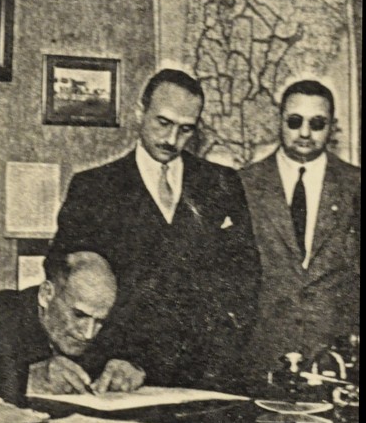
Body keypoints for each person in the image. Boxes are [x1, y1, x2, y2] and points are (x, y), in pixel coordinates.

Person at [51, 69, 261, 389]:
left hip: (200, 375)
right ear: (140, 112)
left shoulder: (222, 183)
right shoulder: (93, 188)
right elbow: (68, 284)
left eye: (186, 129)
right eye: (163, 123)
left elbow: (245, 277)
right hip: (116, 376)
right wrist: (122, 358)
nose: (171, 140)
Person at [240, 80, 360, 379]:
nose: (305, 133)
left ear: (332, 127)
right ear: (279, 120)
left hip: (336, 364)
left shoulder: (354, 185)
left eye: (317, 124)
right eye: (294, 121)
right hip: (260, 363)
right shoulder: (243, 185)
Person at [0, 250, 145, 401]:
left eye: (100, 321)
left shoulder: (110, 327)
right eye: (79, 315)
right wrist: (25, 380)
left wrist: (134, 370)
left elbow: (141, 356)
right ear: (46, 294)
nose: (88, 334)